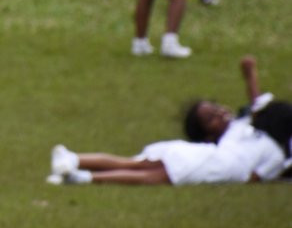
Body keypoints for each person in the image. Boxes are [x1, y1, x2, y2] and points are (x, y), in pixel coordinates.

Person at [48, 56, 289, 186]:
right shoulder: (247, 131)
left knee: (139, 166)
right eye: (212, 114)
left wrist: (250, 73)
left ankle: (76, 164)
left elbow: (259, 106)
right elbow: (256, 177)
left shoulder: (250, 132)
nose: (221, 114)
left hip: (210, 160)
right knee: (146, 171)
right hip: (214, 162)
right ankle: (78, 167)